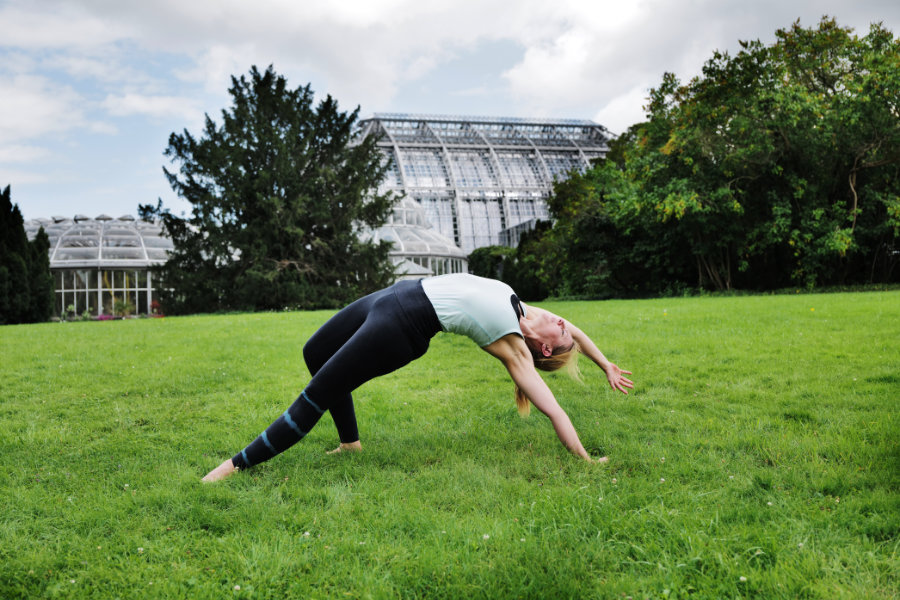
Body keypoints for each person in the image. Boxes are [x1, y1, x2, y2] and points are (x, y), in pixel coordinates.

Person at [202, 274, 633, 482]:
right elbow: (572, 331)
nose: (563, 323)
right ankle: (350, 442)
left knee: (318, 393)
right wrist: (606, 364)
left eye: (559, 334)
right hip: (393, 294)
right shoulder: (529, 312)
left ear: (542, 349)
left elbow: (553, 409)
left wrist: (587, 460)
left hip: (402, 326)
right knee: (315, 351)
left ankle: (234, 466)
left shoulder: (517, 349)